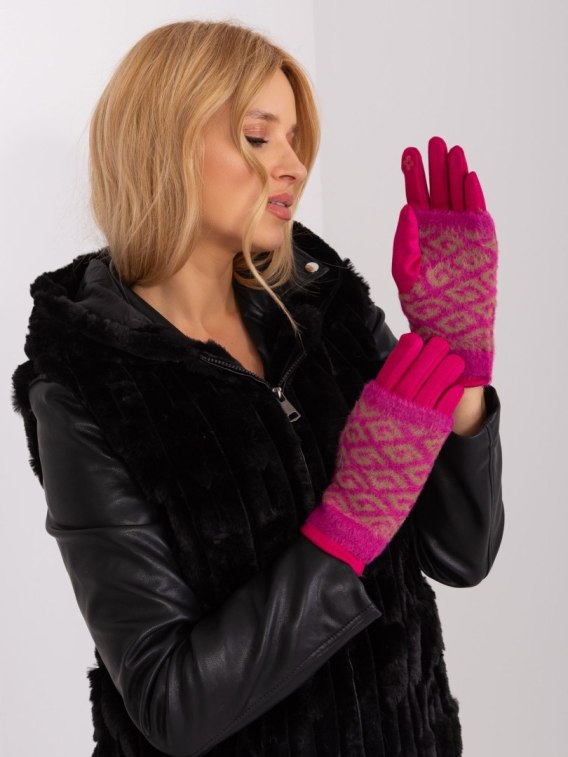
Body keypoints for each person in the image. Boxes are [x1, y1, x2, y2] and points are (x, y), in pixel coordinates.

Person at [11, 19, 504, 757]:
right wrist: (350, 521)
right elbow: (170, 703)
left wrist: (457, 369)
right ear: (165, 143)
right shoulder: (86, 384)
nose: (294, 165)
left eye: (295, 140)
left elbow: (461, 554)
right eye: (258, 136)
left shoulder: (327, 310)